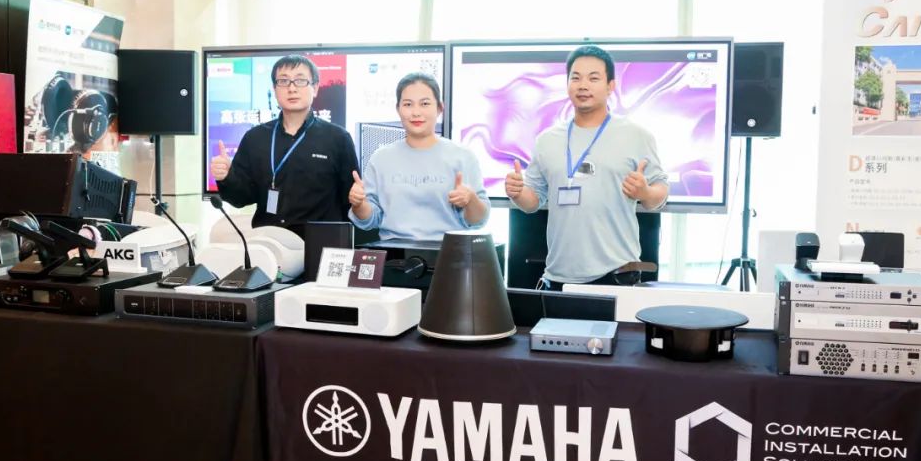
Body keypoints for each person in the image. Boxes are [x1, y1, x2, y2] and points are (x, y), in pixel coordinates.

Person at [505, 45, 669, 289]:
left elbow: (660, 193)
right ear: (567, 84)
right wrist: (518, 193)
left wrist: (645, 193)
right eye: (576, 78)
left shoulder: (636, 135)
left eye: (593, 78)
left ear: (610, 86)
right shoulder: (547, 140)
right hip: (558, 276)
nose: (583, 85)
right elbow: (533, 201)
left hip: (618, 275)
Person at [210, 55, 357, 238]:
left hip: (320, 243)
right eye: (283, 81)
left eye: (300, 81)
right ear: (275, 89)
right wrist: (226, 177)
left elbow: (351, 202)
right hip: (269, 242)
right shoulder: (255, 138)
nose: (292, 88)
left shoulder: (338, 138)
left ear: (315, 88)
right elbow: (240, 198)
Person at [348, 72, 489, 241]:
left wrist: (470, 199)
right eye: (408, 104)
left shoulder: (463, 156)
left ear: (439, 108)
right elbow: (370, 220)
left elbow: (479, 221)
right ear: (398, 109)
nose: (416, 112)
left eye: (425, 104)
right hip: (394, 252)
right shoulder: (380, 158)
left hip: (449, 250)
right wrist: (359, 204)